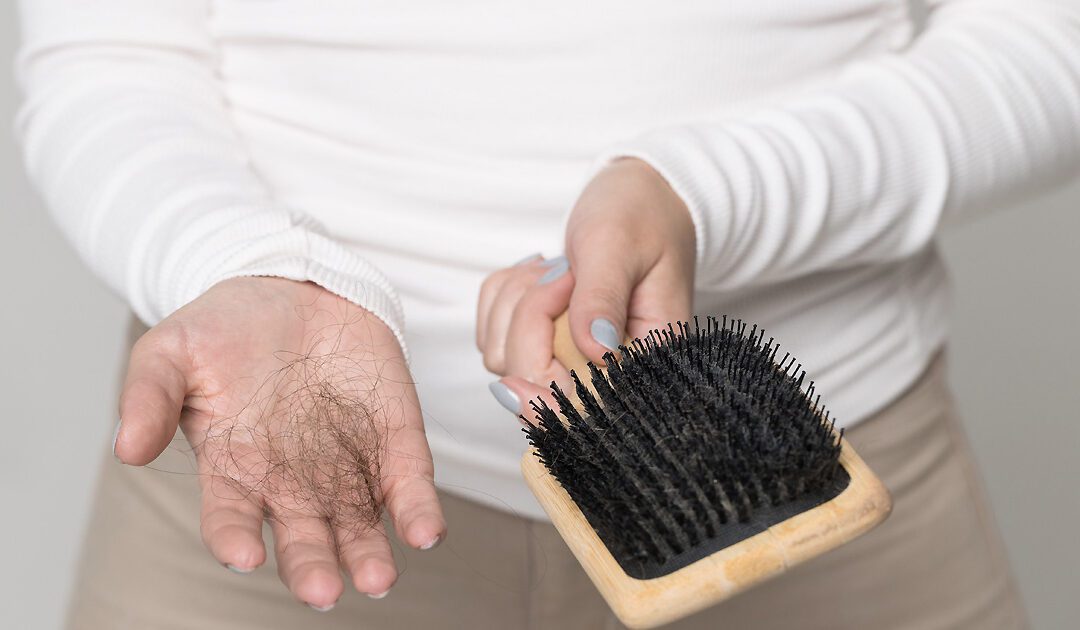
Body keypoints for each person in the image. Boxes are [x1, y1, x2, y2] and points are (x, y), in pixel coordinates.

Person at [16, 1, 1080, 628]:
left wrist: (712, 192)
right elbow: (111, 54)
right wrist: (244, 261)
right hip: (275, 477)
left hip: (812, 488)